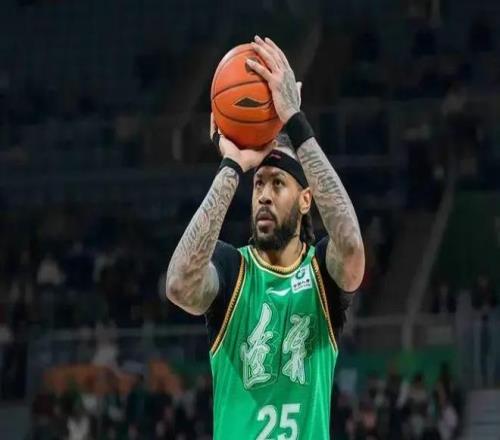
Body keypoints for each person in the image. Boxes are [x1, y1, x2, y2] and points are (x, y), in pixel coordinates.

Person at [166, 35, 365, 440]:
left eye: (277, 184)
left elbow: (351, 245)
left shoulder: (323, 273)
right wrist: (232, 166)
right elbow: (179, 285)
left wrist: (296, 122)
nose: (264, 196)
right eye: (258, 184)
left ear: (306, 199)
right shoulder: (231, 269)